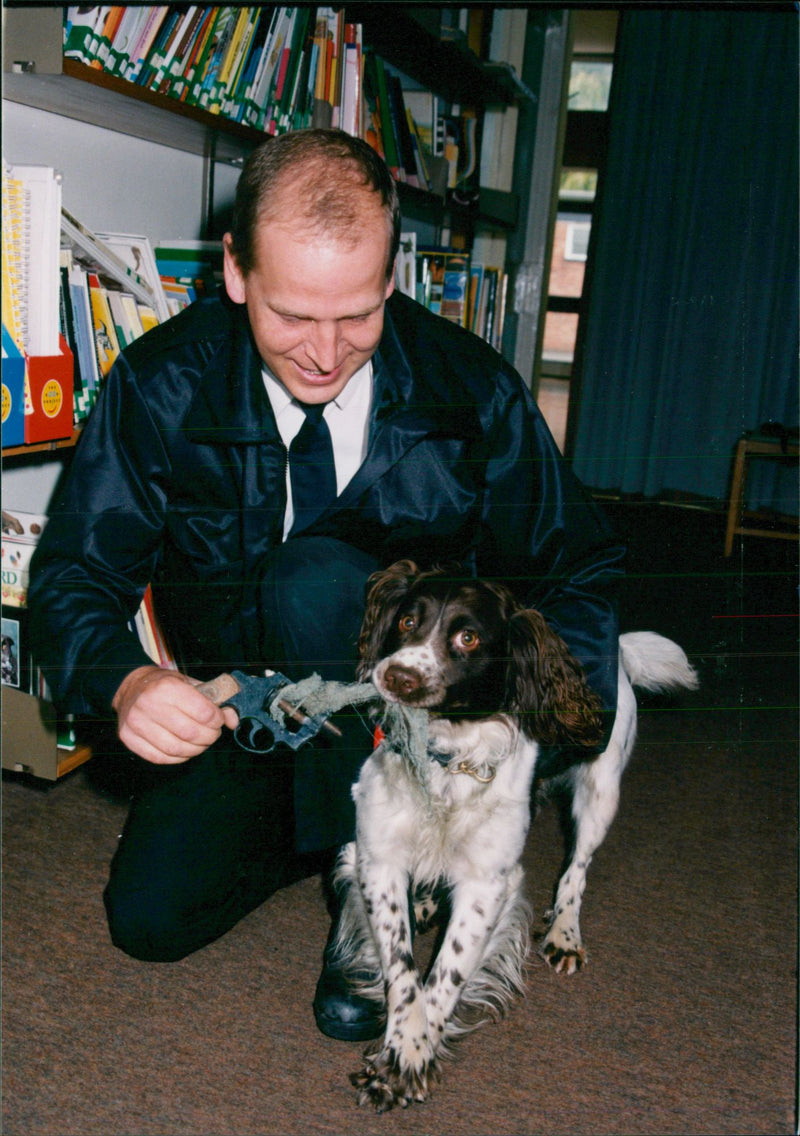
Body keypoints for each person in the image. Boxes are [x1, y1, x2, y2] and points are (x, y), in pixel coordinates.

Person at [28, 129, 625, 1042]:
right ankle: (319, 819)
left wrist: (516, 723)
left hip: (417, 727)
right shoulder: (158, 386)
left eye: (356, 315)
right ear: (235, 274)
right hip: (247, 713)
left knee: (315, 577)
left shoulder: (474, 392)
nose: (323, 352)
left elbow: (579, 569)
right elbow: (72, 573)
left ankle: (366, 901)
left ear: (392, 280)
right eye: (291, 315)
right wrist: (126, 678)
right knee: (149, 921)